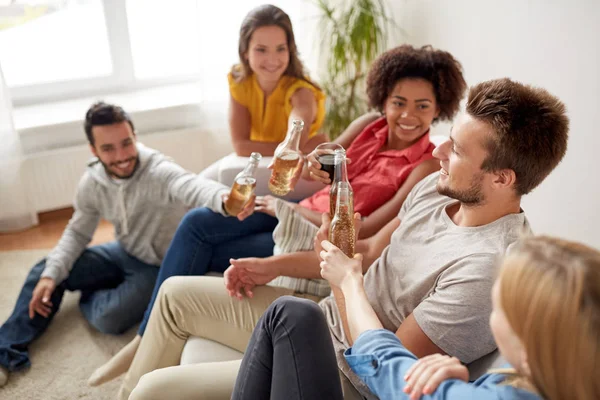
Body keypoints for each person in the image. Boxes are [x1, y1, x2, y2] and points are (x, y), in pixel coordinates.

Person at [119, 77, 569, 400]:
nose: (437, 151)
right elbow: (368, 253)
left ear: (502, 177)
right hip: (323, 318)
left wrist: (341, 279)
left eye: (457, 150)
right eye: (448, 139)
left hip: (343, 376)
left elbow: (379, 368)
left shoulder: (485, 269)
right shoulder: (438, 189)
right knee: (175, 295)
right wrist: (274, 266)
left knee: (156, 391)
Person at [89, 44, 468, 388]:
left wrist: (291, 207)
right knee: (196, 224)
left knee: (206, 243)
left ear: (439, 109)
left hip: (312, 231)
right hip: (293, 215)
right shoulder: (368, 127)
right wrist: (313, 163)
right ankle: (146, 336)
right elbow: (325, 155)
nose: (408, 115)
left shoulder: (423, 167)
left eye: (423, 106)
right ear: (384, 101)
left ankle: (148, 337)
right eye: (398, 102)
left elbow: (364, 229)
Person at [0, 102, 255, 388]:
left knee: (108, 319)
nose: (121, 156)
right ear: (94, 150)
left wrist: (225, 199)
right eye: (108, 148)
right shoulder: (92, 181)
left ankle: (86, 292)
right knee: (45, 270)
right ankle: (5, 350)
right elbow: (77, 233)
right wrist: (51, 276)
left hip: (156, 267)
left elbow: (192, 185)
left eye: (126, 143)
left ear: (135, 136)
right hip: (121, 252)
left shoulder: (158, 169)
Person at [232, 235, 600, 400]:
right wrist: (458, 387)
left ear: (527, 335)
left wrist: (348, 283)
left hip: (358, 372)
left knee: (288, 314)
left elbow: (387, 367)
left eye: (499, 302)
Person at [200, 4, 327, 184]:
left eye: (280, 49)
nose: (272, 60)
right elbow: (240, 146)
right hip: (258, 161)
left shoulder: (302, 90)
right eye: (261, 49)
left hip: (293, 169)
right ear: (245, 52)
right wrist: (298, 147)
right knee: (200, 185)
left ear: (289, 50)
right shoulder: (240, 82)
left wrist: (292, 144)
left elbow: (299, 124)